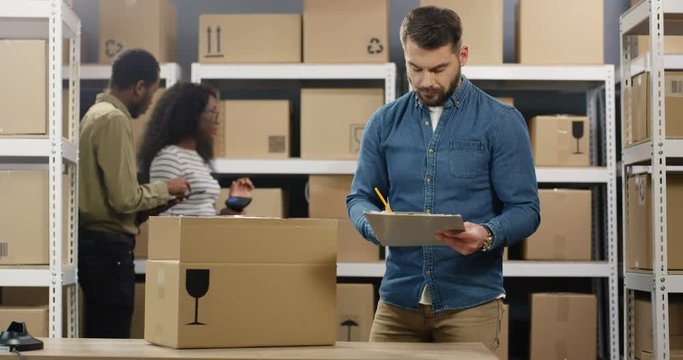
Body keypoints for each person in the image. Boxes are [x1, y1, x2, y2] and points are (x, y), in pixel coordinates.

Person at [346, 6, 540, 350]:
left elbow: (526, 209)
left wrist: (486, 234)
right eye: (414, 68)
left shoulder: (502, 122)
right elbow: (359, 197)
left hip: (471, 305)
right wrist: (372, 224)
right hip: (397, 303)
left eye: (438, 69)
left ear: (462, 56)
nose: (426, 81)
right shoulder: (383, 122)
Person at [79, 49, 190, 338]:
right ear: (139, 87)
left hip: (97, 249)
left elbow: (110, 199)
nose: (151, 101)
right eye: (152, 92)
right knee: (112, 341)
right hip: (108, 252)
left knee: (102, 338)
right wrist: (166, 188)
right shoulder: (113, 119)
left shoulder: (95, 115)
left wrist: (160, 201)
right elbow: (124, 199)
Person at [137, 82, 254, 216]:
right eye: (213, 112)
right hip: (186, 236)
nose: (217, 121)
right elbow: (162, 217)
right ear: (191, 115)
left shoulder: (197, 158)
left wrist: (235, 206)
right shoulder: (169, 157)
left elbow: (203, 215)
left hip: (201, 235)